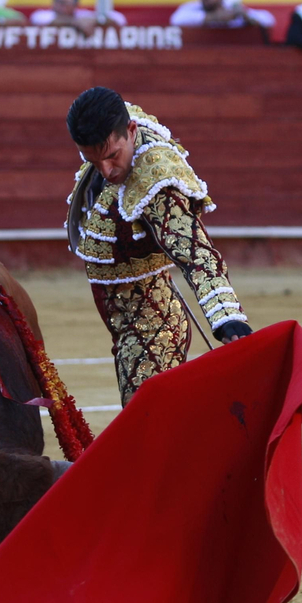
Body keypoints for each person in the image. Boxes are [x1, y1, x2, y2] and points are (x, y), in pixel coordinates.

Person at [64, 87, 251, 406]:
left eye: (111, 156)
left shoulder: (155, 180)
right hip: (126, 320)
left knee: (146, 423)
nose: (106, 171)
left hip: (153, 322)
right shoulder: (117, 126)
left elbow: (195, 251)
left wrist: (226, 317)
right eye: (93, 160)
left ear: (132, 133)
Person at [29, 0, 125, 31]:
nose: (57, 5)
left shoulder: (83, 15)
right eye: (56, 0)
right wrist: (76, 23)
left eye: (63, 3)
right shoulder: (43, 15)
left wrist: (96, 20)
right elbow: (39, 19)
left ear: (75, 5)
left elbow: (119, 18)